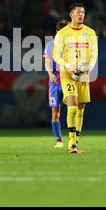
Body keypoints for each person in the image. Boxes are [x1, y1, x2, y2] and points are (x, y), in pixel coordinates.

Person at [53, 3, 97, 154]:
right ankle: (71, 143)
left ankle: (76, 142)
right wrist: (67, 64)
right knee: (71, 107)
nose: (81, 15)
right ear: (71, 15)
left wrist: (90, 66)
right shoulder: (62, 34)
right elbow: (56, 56)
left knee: (80, 109)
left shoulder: (90, 32)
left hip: (83, 76)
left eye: (83, 13)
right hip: (67, 75)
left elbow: (94, 54)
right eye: (78, 12)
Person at [43, 19, 69, 147]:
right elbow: (47, 61)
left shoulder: (71, 45)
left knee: (72, 110)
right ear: (57, 32)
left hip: (68, 80)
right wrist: (49, 73)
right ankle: (59, 140)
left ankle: (73, 139)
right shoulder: (50, 45)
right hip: (54, 83)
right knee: (55, 113)